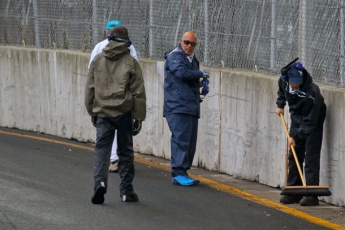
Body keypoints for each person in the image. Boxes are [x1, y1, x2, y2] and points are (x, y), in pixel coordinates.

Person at [85, 26, 146, 204]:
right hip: (124, 112)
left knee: (102, 150)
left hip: (103, 112)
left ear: (110, 38)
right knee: (125, 151)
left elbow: (90, 88)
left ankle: (100, 183)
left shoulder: (98, 59)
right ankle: (126, 191)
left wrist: (92, 111)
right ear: (127, 42)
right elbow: (138, 92)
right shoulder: (130, 62)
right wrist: (139, 117)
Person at [88, 19, 139, 173]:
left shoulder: (99, 47)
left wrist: (91, 106)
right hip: (122, 100)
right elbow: (136, 75)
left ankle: (103, 173)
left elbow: (91, 73)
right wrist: (138, 113)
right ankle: (122, 171)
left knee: (103, 138)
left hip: (103, 101)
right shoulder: (129, 48)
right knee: (123, 136)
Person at [275, 60, 327, 206]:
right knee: (294, 153)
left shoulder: (312, 93)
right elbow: (281, 91)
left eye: (298, 82)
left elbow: (309, 122)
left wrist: (296, 137)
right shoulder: (284, 81)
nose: (296, 85)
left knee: (311, 154)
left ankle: (311, 195)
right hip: (296, 115)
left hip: (313, 118)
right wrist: (280, 104)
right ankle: (294, 191)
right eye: (294, 83)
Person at [163, 31, 209, 186]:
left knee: (190, 141)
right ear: (180, 41)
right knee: (180, 139)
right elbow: (182, 73)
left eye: (193, 44)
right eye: (187, 42)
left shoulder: (193, 60)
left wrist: (201, 85)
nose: (189, 46)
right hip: (177, 106)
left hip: (190, 105)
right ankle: (178, 171)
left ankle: (183, 171)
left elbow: (191, 77)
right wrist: (200, 74)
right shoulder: (174, 56)